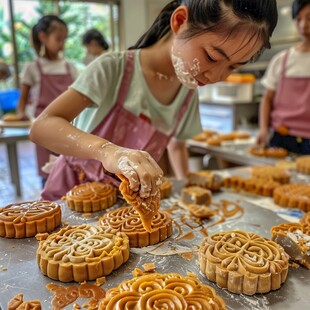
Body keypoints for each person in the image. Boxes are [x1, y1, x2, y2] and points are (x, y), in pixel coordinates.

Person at [30, 0, 278, 201]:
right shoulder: (113, 69)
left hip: (123, 210)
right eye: (212, 57)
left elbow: (177, 146)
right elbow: (42, 126)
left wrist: (186, 192)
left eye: (233, 66)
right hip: (71, 197)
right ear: (180, 22)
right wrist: (107, 151)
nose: (216, 76)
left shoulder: (187, 90)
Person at [6, 15, 78, 186]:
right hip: (44, 129)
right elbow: (22, 100)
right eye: (58, 39)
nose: (62, 44)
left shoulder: (69, 67)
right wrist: (22, 114)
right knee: (49, 176)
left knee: (71, 172)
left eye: (64, 39)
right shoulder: (33, 68)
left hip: (70, 127)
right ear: (43, 38)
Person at [257, 0, 310, 154]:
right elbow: (267, 99)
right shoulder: (282, 60)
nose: (303, 24)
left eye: (309, 18)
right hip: (282, 136)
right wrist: (263, 129)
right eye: (298, 19)